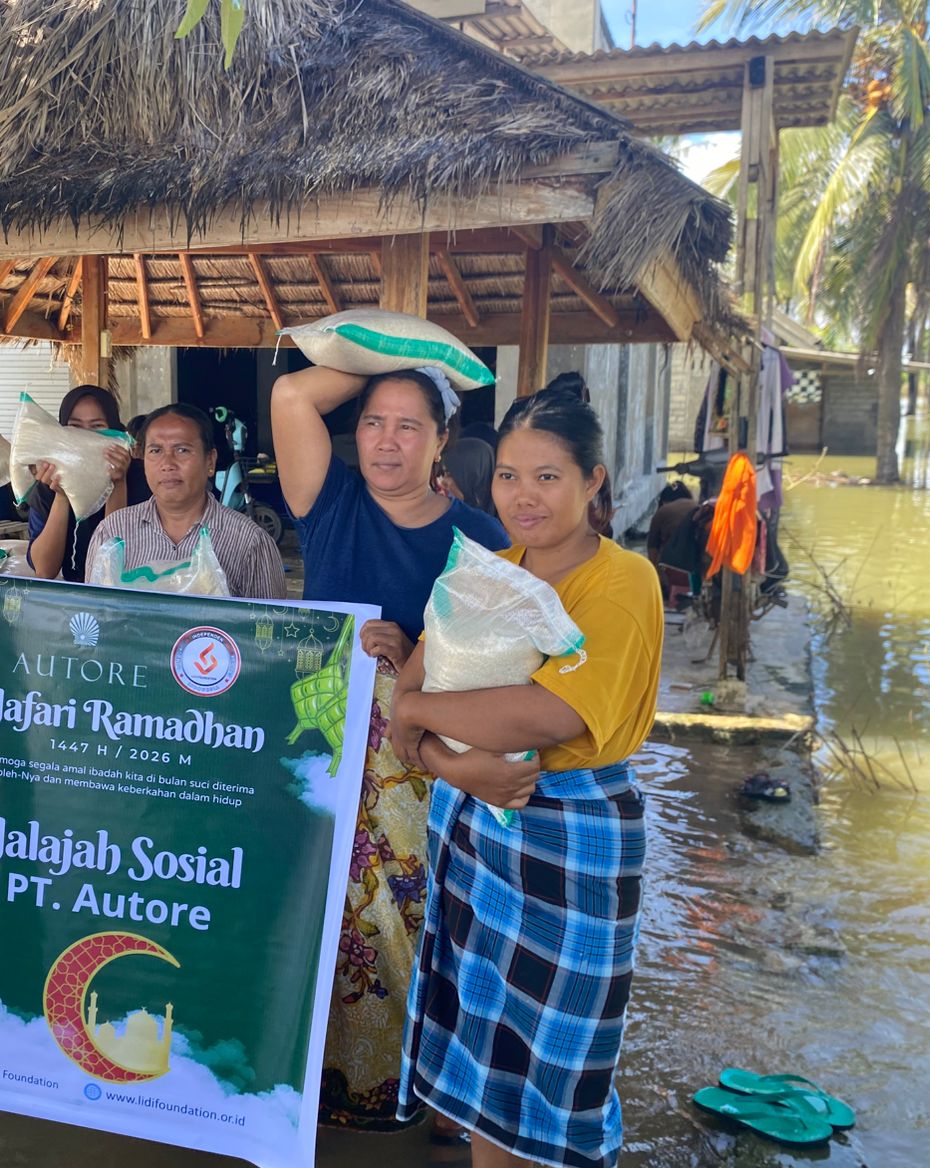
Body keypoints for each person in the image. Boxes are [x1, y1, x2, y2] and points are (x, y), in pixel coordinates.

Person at [389, 375, 662, 1168]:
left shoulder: (623, 582)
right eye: (508, 476)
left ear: (593, 482)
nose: (523, 496)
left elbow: (547, 715)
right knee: (485, 1052)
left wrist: (422, 718)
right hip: (473, 821)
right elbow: (414, 692)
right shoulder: (488, 572)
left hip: (572, 837)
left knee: (561, 1061)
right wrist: (451, 760)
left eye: (548, 477)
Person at [271, 363, 508, 1133]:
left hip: (427, 779)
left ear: (441, 442)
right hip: (325, 769)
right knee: (324, 925)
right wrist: (391, 347)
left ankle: (435, 1102)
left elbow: (505, 682)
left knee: (432, 929)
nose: (387, 441)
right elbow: (293, 395)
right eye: (374, 420)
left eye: (410, 425)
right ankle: (322, 1093)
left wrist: (415, 655)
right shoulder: (331, 504)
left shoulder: (481, 541)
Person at [86, 403, 285, 599]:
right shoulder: (112, 533)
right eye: (156, 451)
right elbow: (93, 619)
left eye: (182, 450)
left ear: (210, 461)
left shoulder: (250, 542)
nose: (167, 464)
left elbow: (269, 626)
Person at [25, 386, 148, 581]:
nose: (85, 437)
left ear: (115, 429)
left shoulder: (142, 477)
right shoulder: (48, 483)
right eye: (75, 427)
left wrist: (118, 483)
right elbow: (44, 570)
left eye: (97, 426)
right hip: (75, 602)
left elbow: (113, 566)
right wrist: (63, 495)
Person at [439, 437, 497, 519]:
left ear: (473, 477)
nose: (442, 482)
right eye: (443, 474)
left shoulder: (499, 528)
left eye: (450, 474)